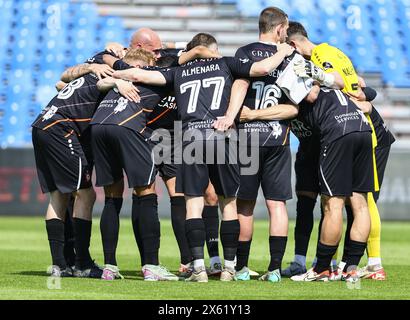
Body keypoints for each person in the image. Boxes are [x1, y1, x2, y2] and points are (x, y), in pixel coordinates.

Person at [112, 32, 295, 282]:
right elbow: (262, 68)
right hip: (222, 134)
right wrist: (283, 52)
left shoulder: (178, 71)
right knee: (228, 203)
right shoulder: (225, 63)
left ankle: (198, 267)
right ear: (214, 48)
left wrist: (113, 76)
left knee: (193, 204)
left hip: (190, 137)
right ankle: (229, 269)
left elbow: (137, 74)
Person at [284, 21, 391, 280]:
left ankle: (325, 267)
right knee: (361, 202)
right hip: (363, 128)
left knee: (333, 203)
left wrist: (314, 76)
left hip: (344, 128)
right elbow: (360, 85)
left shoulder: (321, 54)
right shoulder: (336, 53)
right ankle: (351, 268)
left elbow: (334, 85)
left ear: (293, 44)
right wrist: (362, 95)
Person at [213, 7, 296, 283]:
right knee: (277, 205)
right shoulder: (290, 57)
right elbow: (295, 108)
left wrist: (232, 115)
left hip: (247, 139)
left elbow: (240, 84)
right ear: (279, 29)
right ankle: (274, 269)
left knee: (244, 206)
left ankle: (242, 267)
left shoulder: (245, 52)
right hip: (277, 139)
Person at [31, 51, 125, 278]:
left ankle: (59, 265)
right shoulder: (107, 73)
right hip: (61, 128)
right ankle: (82, 263)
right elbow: (104, 84)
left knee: (59, 195)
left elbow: (60, 81)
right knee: (86, 195)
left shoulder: (88, 70)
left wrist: (91, 68)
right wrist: (119, 82)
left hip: (41, 124)